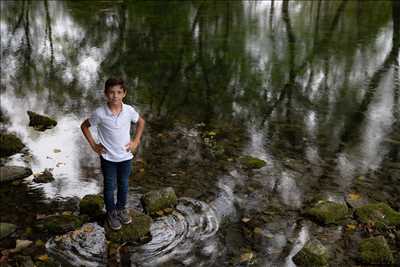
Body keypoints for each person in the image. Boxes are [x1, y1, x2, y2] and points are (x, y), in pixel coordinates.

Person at [80, 78, 145, 230]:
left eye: (118, 92)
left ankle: (121, 208)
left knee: (123, 184)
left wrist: (136, 141)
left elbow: (141, 122)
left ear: (124, 94)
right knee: (109, 187)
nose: (115, 96)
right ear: (105, 94)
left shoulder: (128, 110)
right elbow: (84, 126)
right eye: (111, 92)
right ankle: (110, 213)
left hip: (126, 157)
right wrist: (94, 145)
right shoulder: (100, 113)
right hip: (108, 158)